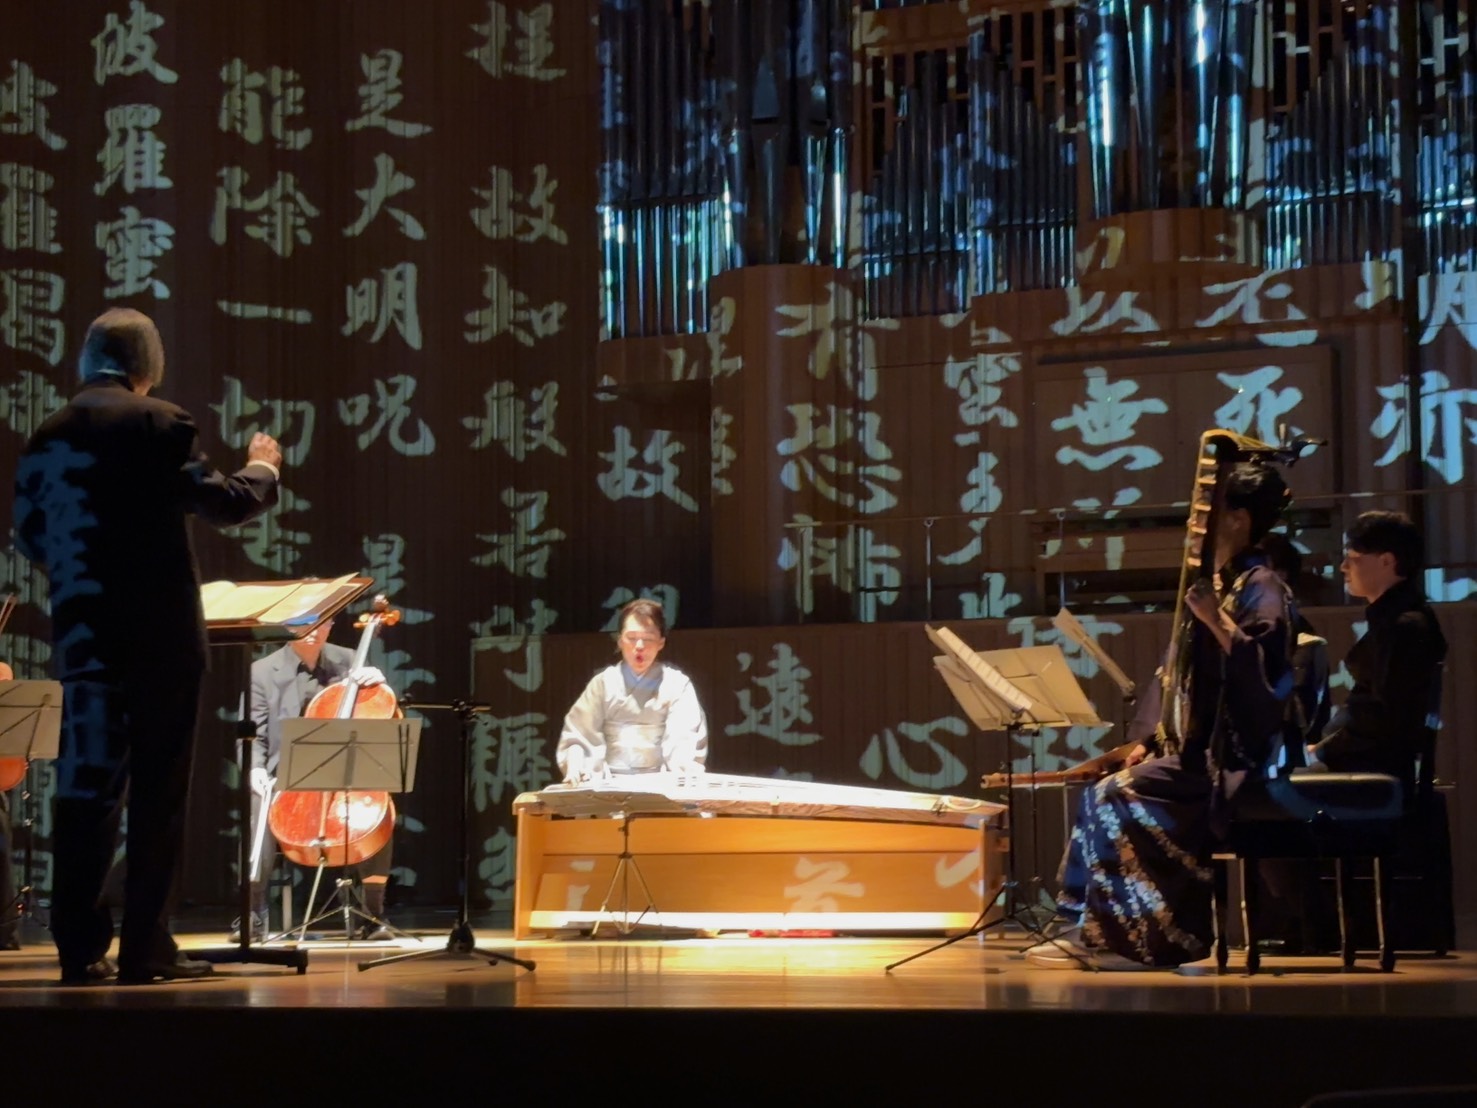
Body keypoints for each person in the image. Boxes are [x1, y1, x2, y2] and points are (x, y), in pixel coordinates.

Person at [11, 307, 282, 984]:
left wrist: (82, 575)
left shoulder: (48, 434)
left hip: (83, 638)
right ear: (148, 366)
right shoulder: (160, 422)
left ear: (87, 358)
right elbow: (222, 502)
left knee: (85, 792)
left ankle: (78, 951)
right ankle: (145, 948)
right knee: (158, 794)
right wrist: (262, 468)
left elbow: (31, 536)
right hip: (160, 642)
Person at [1025, 461, 1295, 970]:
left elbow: (1265, 676)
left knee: (1116, 794)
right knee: (1104, 788)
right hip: (1191, 753)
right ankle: (1082, 926)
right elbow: (1173, 677)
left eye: (1208, 513)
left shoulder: (1262, 586)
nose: (1195, 525)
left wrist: (1216, 620)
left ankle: (1138, 942)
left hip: (1227, 759)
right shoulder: (1220, 584)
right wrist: (1147, 739)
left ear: (1238, 519)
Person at [235, 617, 394, 942]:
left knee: (378, 810)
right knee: (257, 803)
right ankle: (253, 913)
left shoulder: (350, 660)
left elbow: (379, 711)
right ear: (286, 627)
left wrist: (381, 683)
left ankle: (374, 914)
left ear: (330, 625)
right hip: (286, 776)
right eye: (302, 624)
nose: (311, 631)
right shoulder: (262, 671)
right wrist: (255, 768)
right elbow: (252, 734)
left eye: (320, 623)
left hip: (345, 773)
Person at [1307, 511, 1448, 791]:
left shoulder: (1406, 627)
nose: (1343, 567)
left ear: (1386, 561)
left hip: (1371, 770)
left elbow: (1383, 721)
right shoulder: (1400, 621)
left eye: (1353, 558)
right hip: (1364, 763)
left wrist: (1321, 751)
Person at [556, 598, 708, 783]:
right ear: (620, 640)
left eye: (648, 639)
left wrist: (681, 770)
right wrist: (577, 764)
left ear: (661, 642)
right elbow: (579, 735)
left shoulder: (677, 685)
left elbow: (684, 737)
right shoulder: (603, 683)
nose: (640, 646)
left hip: (661, 783)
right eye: (632, 638)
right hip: (607, 783)